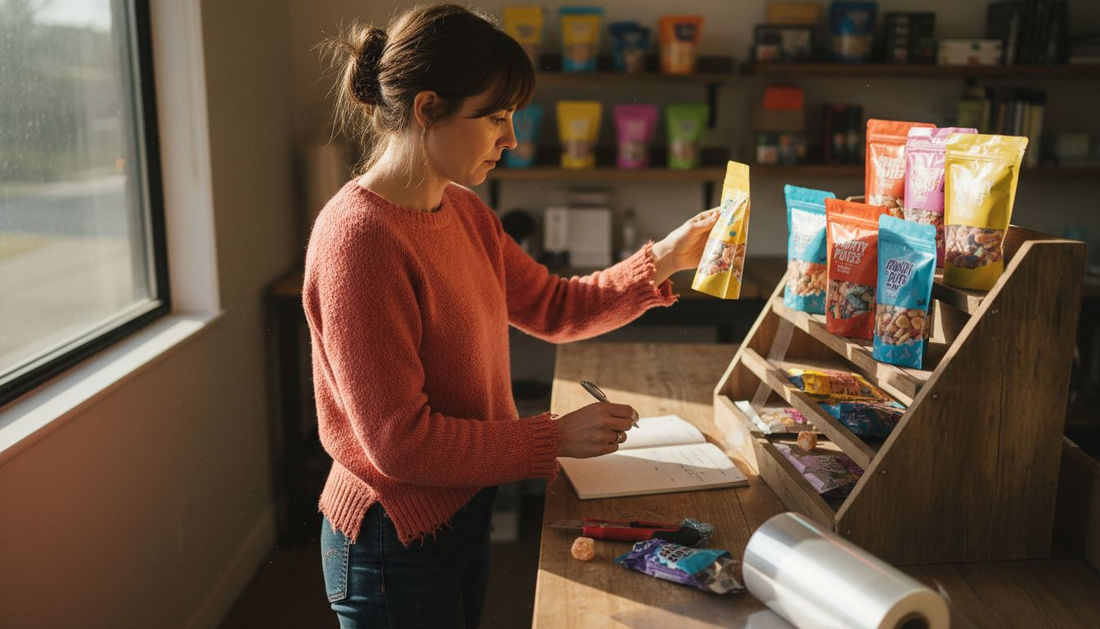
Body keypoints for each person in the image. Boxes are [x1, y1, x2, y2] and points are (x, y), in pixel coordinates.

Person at [305, 5, 721, 628]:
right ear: (428, 109)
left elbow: (553, 307)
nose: (512, 138)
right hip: (390, 541)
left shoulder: (465, 213)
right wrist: (553, 438)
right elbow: (399, 443)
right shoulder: (359, 240)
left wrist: (662, 259)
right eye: (495, 117)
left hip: (460, 511)